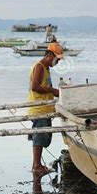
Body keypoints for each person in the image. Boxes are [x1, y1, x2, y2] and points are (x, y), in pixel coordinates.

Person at [27, 42, 63, 175]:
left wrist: (56, 92)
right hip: (38, 109)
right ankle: (36, 165)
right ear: (48, 55)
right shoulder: (39, 67)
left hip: (45, 108)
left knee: (42, 137)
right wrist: (53, 90)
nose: (57, 62)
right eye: (56, 59)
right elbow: (35, 87)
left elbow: (44, 87)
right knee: (39, 136)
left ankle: (37, 164)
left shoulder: (46, 69)